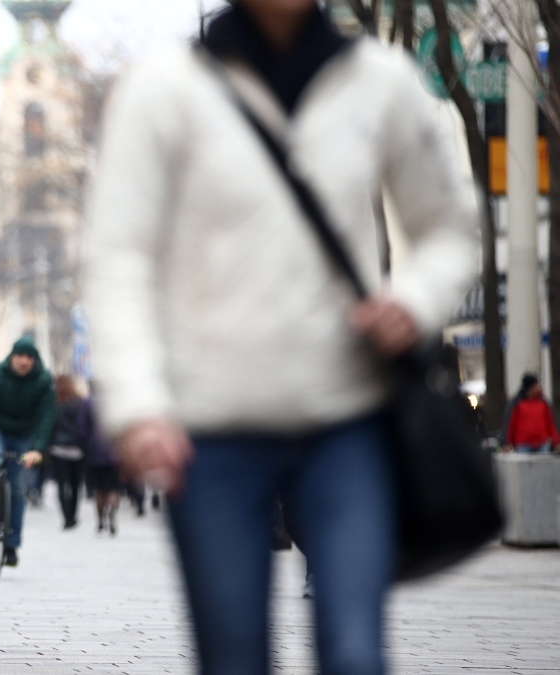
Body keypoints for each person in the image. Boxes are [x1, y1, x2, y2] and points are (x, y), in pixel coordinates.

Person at [82, 0, 478, 672]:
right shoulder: (166, 90)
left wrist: (413, 299)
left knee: (356, 651)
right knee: (235, 656)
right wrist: (137, 401)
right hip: (210, 429)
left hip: (346, 418)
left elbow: (448, 224)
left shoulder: (378, 81)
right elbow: (119, 257)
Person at [0, 337, 55, 567]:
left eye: (29, 358)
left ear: (34, 360)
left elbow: (47, 417)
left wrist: (38, 449)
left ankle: (11, 546)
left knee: (18, 489)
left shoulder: (44, 380)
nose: (24, 362)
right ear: (11, 356)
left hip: (24, 435)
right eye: (20, 356)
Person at [77, 393, 120, 535]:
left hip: (94, 452)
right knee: (113, 488)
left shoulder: (87, 402)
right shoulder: (115, 399)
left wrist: (85, 447)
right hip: (114, 450)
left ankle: (101, 521)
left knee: (99, 489)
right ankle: (112, 509)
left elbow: (81, 429)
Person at [49, 375, 85, 530]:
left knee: (62, 484)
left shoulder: (53, 402)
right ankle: (74, 515)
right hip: (77, 449)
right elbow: (83, 425)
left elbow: (50, 425)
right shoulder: (79, 402)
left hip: (58, 449)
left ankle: (67, 517)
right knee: (76, 484)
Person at [504, 375, 559, 454]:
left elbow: (549, 423)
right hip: (523, 443)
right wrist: (508, 443)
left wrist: (556, 441)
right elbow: (512, 425)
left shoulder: (543, 404)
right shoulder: (518, 404)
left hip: (541, 442)